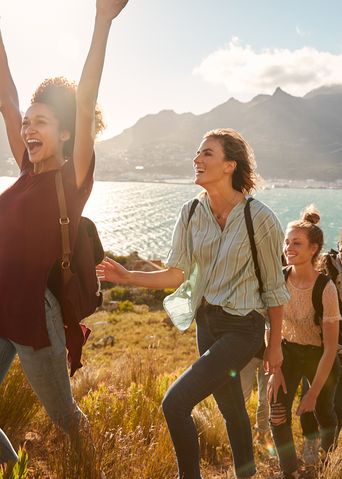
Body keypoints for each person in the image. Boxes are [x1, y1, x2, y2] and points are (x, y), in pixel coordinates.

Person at [96, 128, 289, 479]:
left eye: (207, 154)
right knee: (232, 410)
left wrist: (274, 346)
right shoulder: (190, 213)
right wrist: (128, 277)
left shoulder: (259, 218)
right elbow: (177, 275)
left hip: (243, 327)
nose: (196, 159)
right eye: (198, 153)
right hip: (207, 324)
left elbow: (275, 290)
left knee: (175, 403)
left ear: (230, 165)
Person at [0, 0, 129, 465]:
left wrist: (101, 21)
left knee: (65, 418)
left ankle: (89, 470)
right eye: (26, 123)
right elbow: (7, 95)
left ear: (67, 134)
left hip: (36, 318)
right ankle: (12, 468)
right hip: (0, 303)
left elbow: (87, 94)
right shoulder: (25, 170)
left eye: (41, 122)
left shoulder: (70, 181)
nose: (27, 127)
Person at [268, 207, 341, 479]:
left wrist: (312, 392)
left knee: (324, 411)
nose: (288, 247)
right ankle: (289, 471)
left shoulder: (326, 288)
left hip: (319, 355)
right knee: (276, 411)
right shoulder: (279, 278)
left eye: (296, 243)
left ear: (314, 249)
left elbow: (331, 347)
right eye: (287, 242)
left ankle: (327, 465)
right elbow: (272, 325)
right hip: (286, 351)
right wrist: (274, 370)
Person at [300, 233, 342, 465]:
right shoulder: (326, 265)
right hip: (318, 345)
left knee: (337, 405)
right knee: (310, 396)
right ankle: (309, 442)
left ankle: (329, 454)